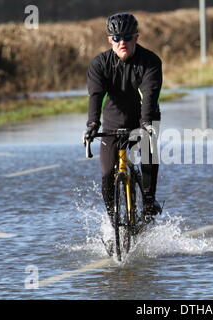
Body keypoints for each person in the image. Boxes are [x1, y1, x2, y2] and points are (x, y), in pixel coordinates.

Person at [84, 12, 162, 218]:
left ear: (136, 36)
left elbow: (149, 96)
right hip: (113, 119)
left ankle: (148, 201)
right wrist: (92, 124)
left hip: (144, 115)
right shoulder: (99, 64)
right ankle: (113, 221)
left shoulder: (150, 62)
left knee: (148, 152)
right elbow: (96, 95)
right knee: (108, 173)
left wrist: (146, 125)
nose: (122, 42)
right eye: (116, 38)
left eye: (127, 37)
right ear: (110, 39)